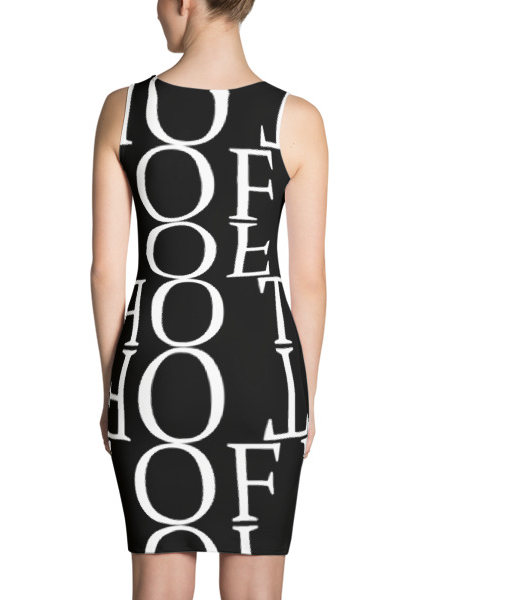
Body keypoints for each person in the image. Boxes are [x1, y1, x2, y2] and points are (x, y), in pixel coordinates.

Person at [91, 0, 328, 597]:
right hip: (264, 379)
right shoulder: (297, 119)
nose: (154, 12)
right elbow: (308, 280)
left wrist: (115, 387)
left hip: (156, 375)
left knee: (159, 584)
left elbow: (105, 272)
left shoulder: (124, 110)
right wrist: (303, 398)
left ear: (185, 1)